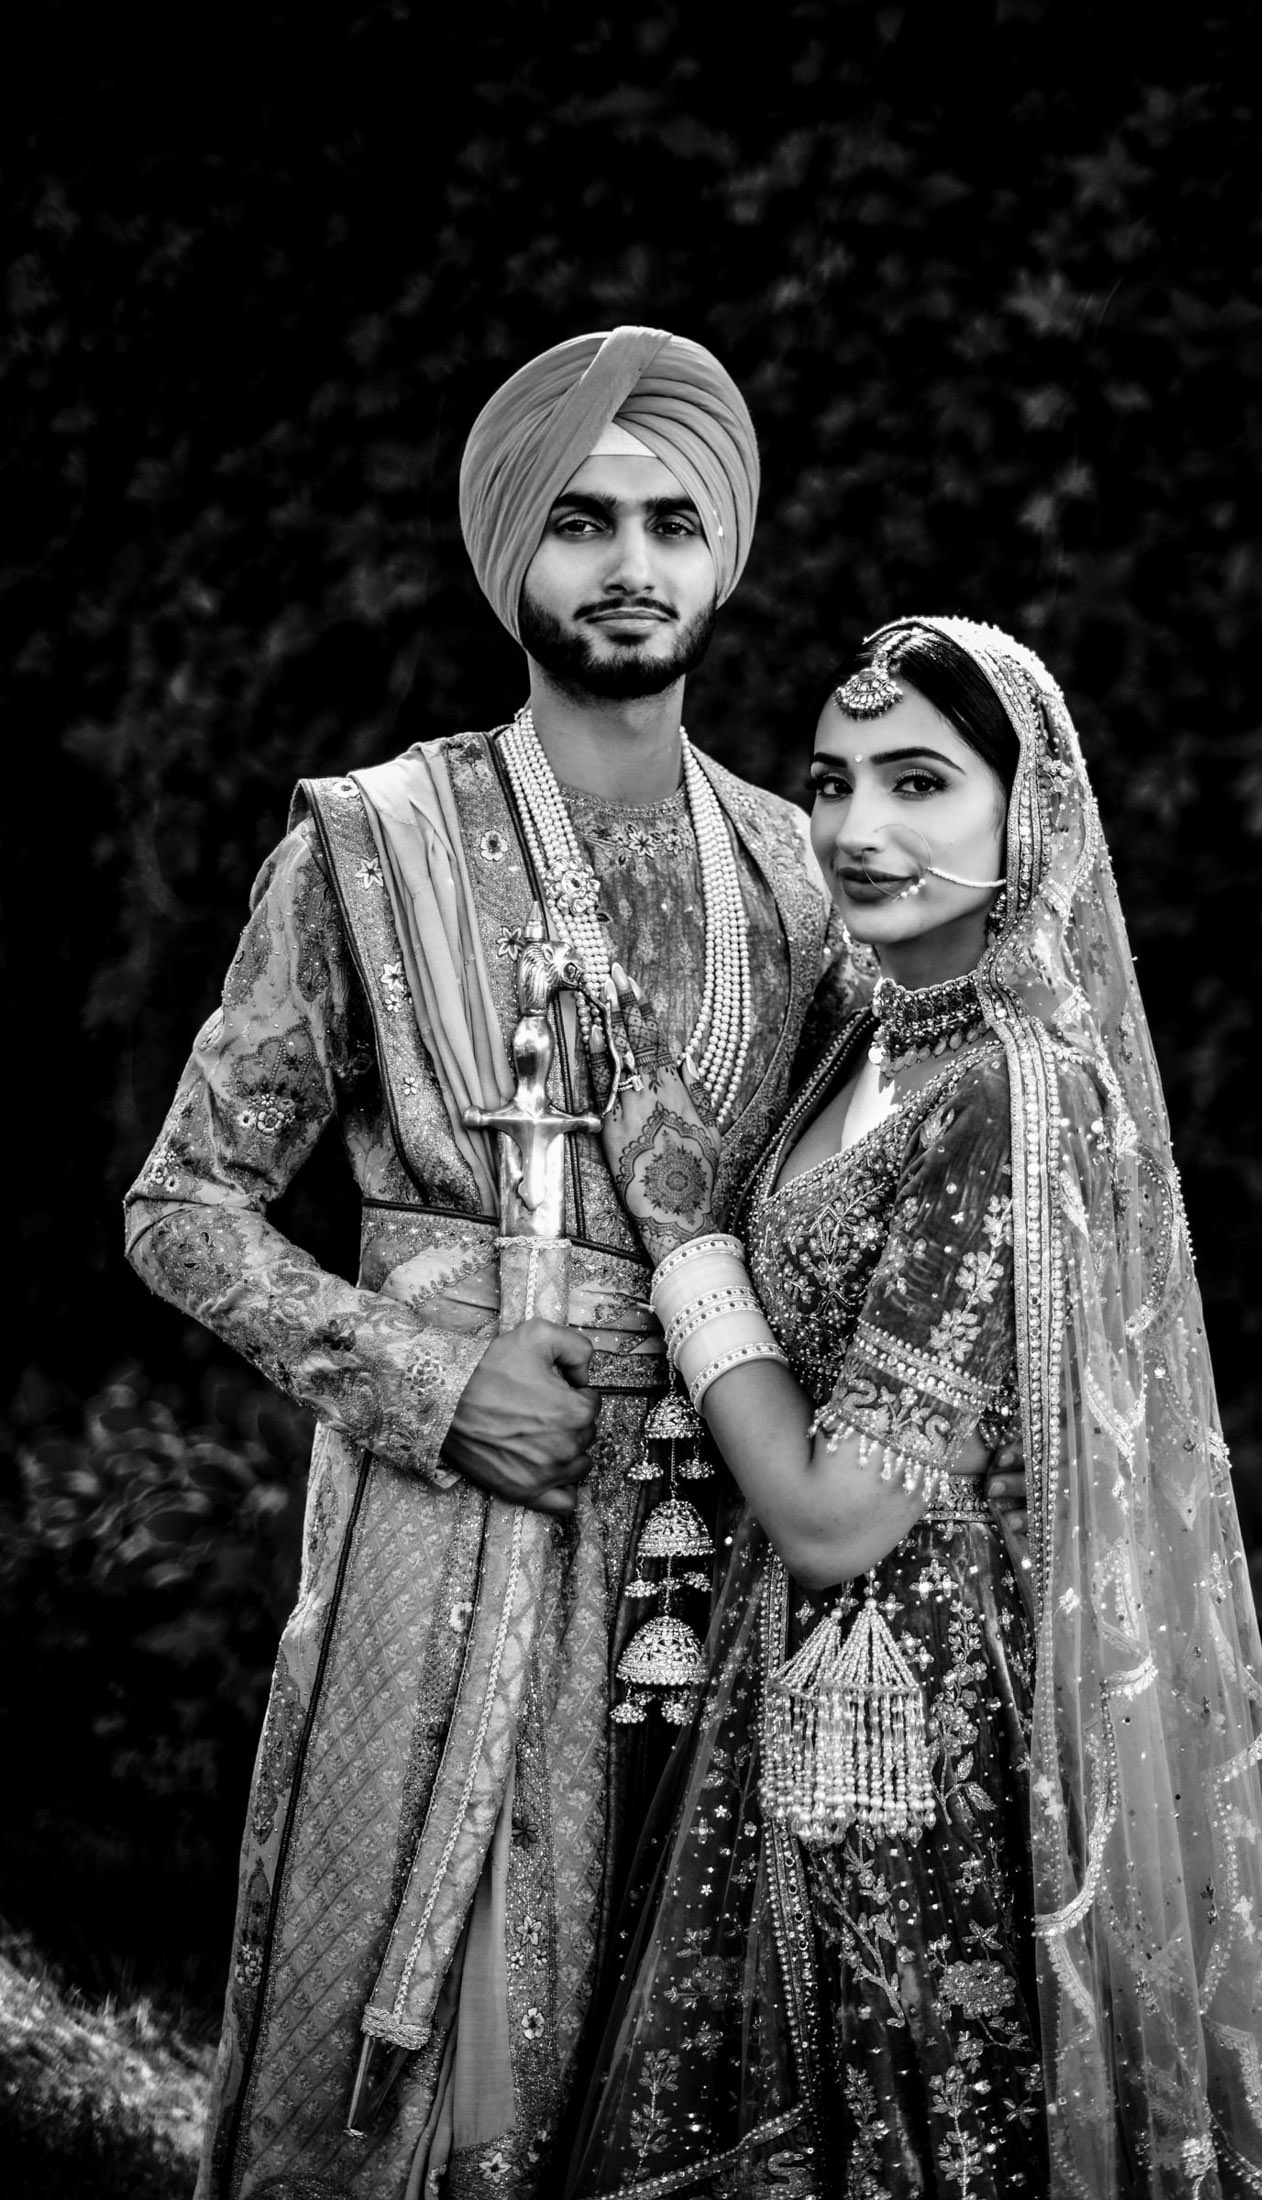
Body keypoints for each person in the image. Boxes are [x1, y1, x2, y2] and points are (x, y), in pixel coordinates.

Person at [123, 325, 867, 2200]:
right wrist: (431, 1383)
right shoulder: (371, 844)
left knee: (687, 2046)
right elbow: (184, 1205)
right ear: (511, 552)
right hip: (445, 1531)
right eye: (582, 520)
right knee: (414, 2058)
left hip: (721, 1529)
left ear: (726, 558)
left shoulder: (804, 875)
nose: (630, 564)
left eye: (672, 522)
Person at [572, 617, 1262, 2197]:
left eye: (921, 782)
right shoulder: (875, 1041)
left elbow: (834, 1514)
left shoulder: (1012, 1086)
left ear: (1031, 820)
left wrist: (689, 1257)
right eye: (831, 782)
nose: (859, 831)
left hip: (920, 1722)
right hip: (802, 1696)